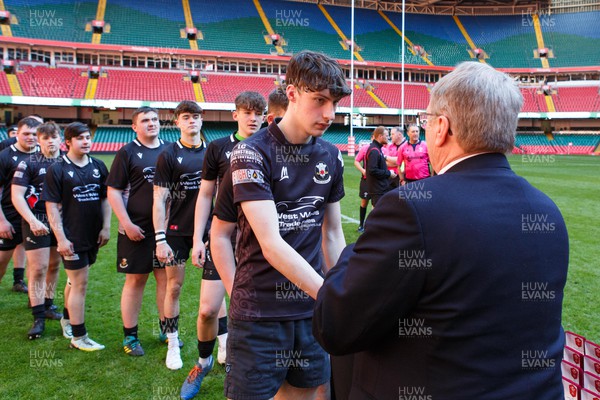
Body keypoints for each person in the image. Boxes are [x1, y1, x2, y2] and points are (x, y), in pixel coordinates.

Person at [313, 61, 569, 400]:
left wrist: (352, 253)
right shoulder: (548, 212)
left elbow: (335, 324)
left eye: (427, 120)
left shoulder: (411, 210)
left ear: (442, 128)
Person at [224, 50, 350, 400]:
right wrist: (332, 295)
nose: (329, 114)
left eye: (335, 103)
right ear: (292, 93)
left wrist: (341, 287)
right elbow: (271, 242)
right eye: (320, 100)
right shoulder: (250, 153)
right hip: (258, 312)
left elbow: (332, 233)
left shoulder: (331, 156)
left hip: (309, 310)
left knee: (307, 396)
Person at [181, 91, 267, 400]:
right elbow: (205, 195)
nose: (253, 117)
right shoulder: (218, 148)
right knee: (207, 310)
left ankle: (255, 370)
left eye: (258, 112)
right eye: (247, 111)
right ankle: (203, 362)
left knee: (255, 311)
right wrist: (196, 238)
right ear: (235, 115)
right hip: (223, 237)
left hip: (260, 240)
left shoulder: (272, 144)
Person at [106, 107, 169, 356]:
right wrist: (127, 223)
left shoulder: (169, 150)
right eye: (145, 120)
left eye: (154, 119)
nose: (151, 123)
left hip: (164, 231)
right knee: (136, 280)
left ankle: (168, 330)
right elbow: (113, 191)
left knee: (166, 279)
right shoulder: (127, 152)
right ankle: (130, 337)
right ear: (135, 126)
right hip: (136, 230)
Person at [43, 122, 111, 351]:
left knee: (74, 281)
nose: (86, 142)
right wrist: (61, 238)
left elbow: (105, 198)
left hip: (92, 236)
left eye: (88, 137)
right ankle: (79, 337)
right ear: (68, 142)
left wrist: (106, 227)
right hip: (71, 237)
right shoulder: (58, 169)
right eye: (80, 138)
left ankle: (66, 319)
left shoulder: (99, 166)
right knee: (80, 283)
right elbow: (51, 207)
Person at [153, 100, 206, 370]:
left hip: (208, 234)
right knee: (174, 286)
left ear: (201, 120)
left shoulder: (212, 152)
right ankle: (172, 343)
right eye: (186, 117)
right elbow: (159, 199)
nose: (192, 121)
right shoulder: (168, 155)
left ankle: (221, 343)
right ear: (177, 122)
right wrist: (160, 238)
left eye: (196, 117)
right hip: (176, 233)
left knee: (214, 289)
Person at [12, 122, 66, 339]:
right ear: (39, 140)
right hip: (37, 221)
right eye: (45, 138)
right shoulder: (29, 163)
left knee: (54, 265)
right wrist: (32, 220)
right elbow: (17, 195)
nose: (50, 141)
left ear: (60, 139)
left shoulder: (67, 161)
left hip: (61, 222)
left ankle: (48, 305)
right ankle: (38, 318)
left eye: (54, 137)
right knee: (38, 268)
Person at [0, 117, 41, 293]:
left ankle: (37, 304)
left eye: (34, 134)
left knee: (38, 264)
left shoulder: (45, 154)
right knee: (2, 260)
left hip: (39, 217)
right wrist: (1, 221)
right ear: (17, 134)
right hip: (10, 217)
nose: (30, 137)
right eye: (26, 133)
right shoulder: (5, 156)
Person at [365, 126, 396, 206]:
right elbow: (373, 170)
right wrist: (389, 173)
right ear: (380, 136)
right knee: (380, 215)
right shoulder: (374, 150)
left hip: (380, 188)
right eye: (386, 135)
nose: (388, 137)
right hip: (378, 190)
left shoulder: (377, 149)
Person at [353, 137, 372, 233]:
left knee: (377, 204)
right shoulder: (365, 148)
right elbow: (356, 161)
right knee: (364, 202)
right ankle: (361, 225)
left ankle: (374, 226)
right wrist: (363, 171)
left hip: (379, 181)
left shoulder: (385, 148)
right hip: (366, 180)